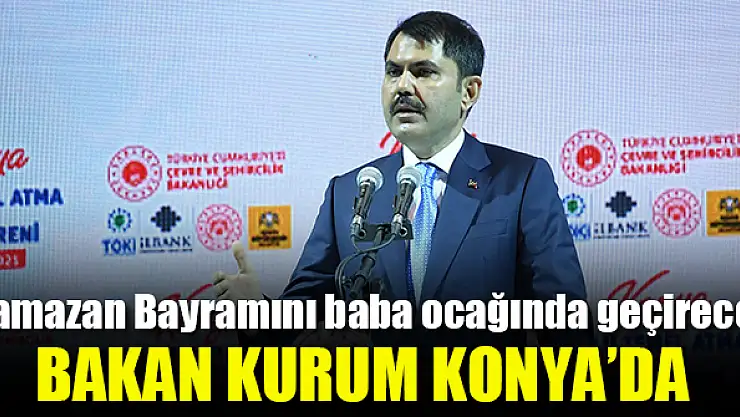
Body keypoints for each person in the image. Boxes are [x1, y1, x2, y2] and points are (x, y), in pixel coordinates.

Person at [214, 11, 594, 351]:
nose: (403, 86)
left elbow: (564, 324)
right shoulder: (350, 191)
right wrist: (257, 311)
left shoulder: (520, 182)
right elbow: (300, 316)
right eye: (393, 72)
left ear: (469, 91)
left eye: (424, 72)